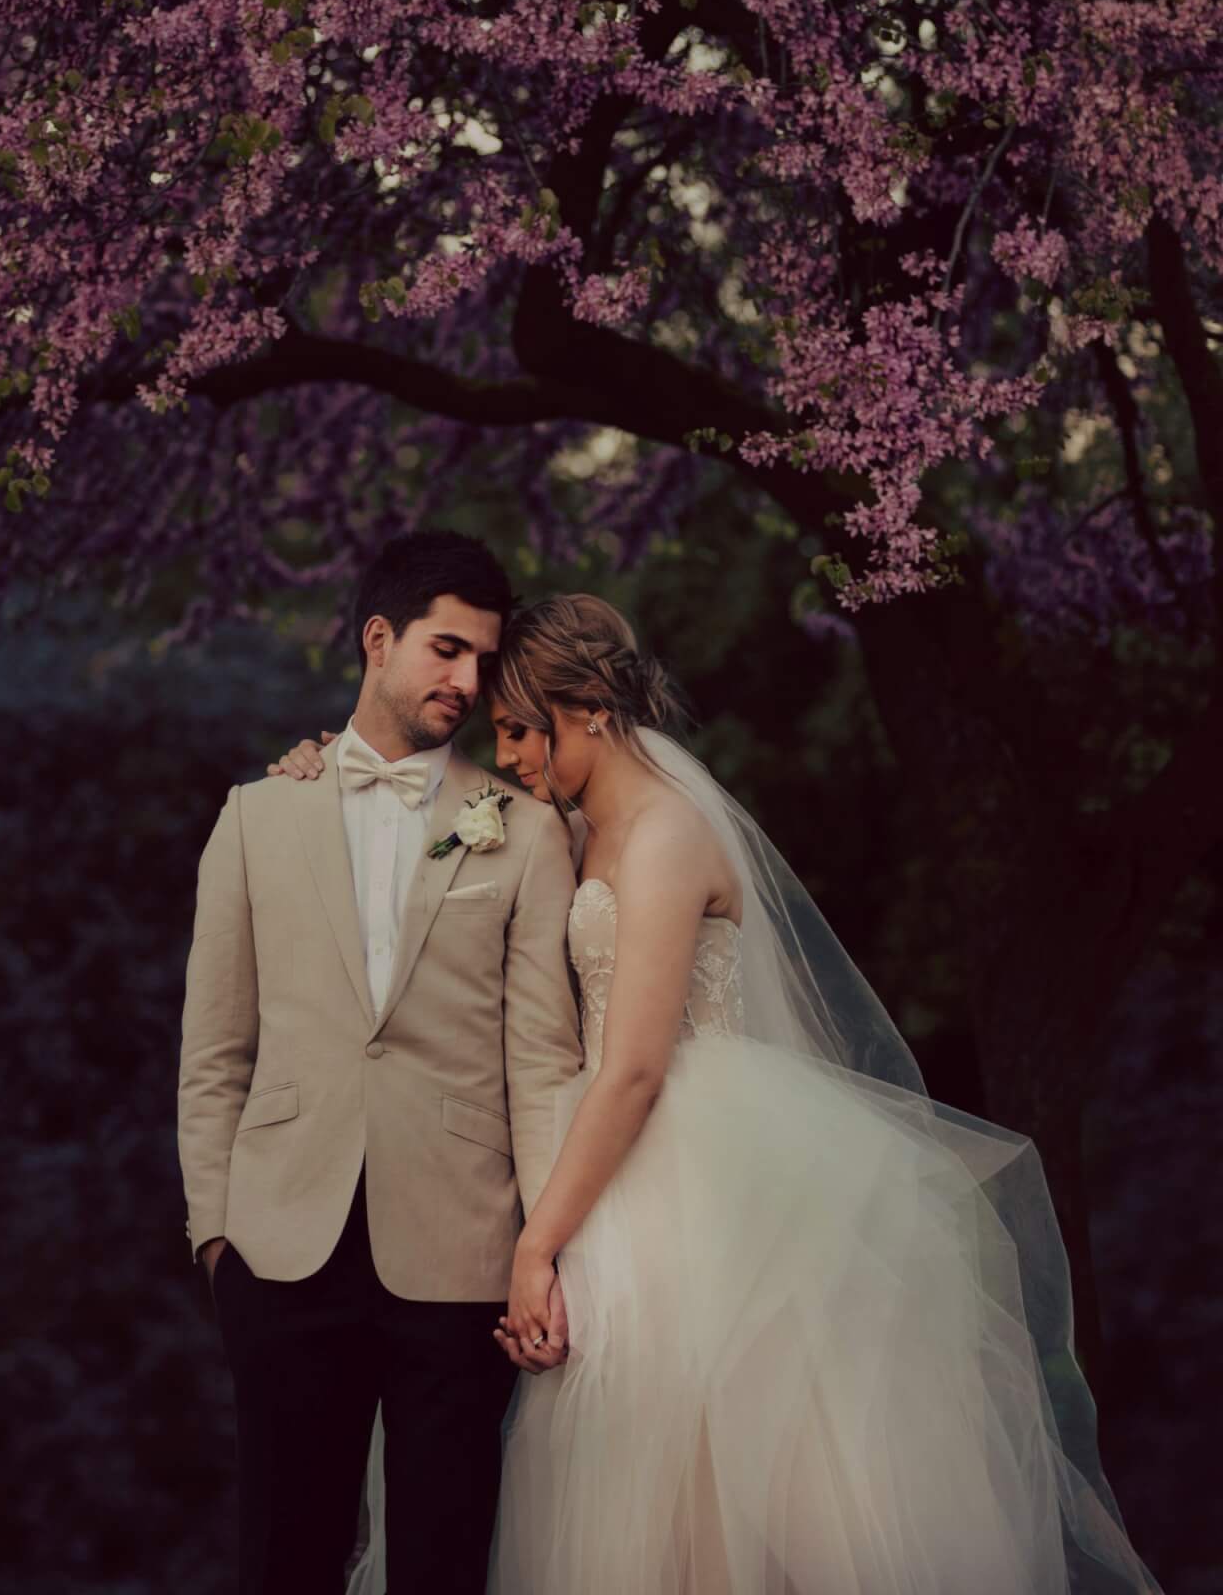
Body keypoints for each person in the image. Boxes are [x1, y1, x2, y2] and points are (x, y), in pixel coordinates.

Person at [273, 591, 1164, 1595]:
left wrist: (538, 1243)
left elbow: (640, 1066)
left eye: (523, 730)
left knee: (705, 1470)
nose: (512, 755)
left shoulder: (662, 836)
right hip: (600, 1152)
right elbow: (435, 872)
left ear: (591, 712)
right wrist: (333, 784)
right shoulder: (575, 825)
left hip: (686, 1171)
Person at [177, 531, 581, 1595]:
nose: (467, 679)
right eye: (447, 649)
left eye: (484, 661)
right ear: (377, 638)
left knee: (445, 1560)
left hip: (459, 1251)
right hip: (280, 1250)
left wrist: (540, 1247)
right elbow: (213, 1054)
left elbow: (539, 1061)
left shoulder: (524, 833)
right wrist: (217, 1233)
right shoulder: (256, 817)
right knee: (285, 1555)